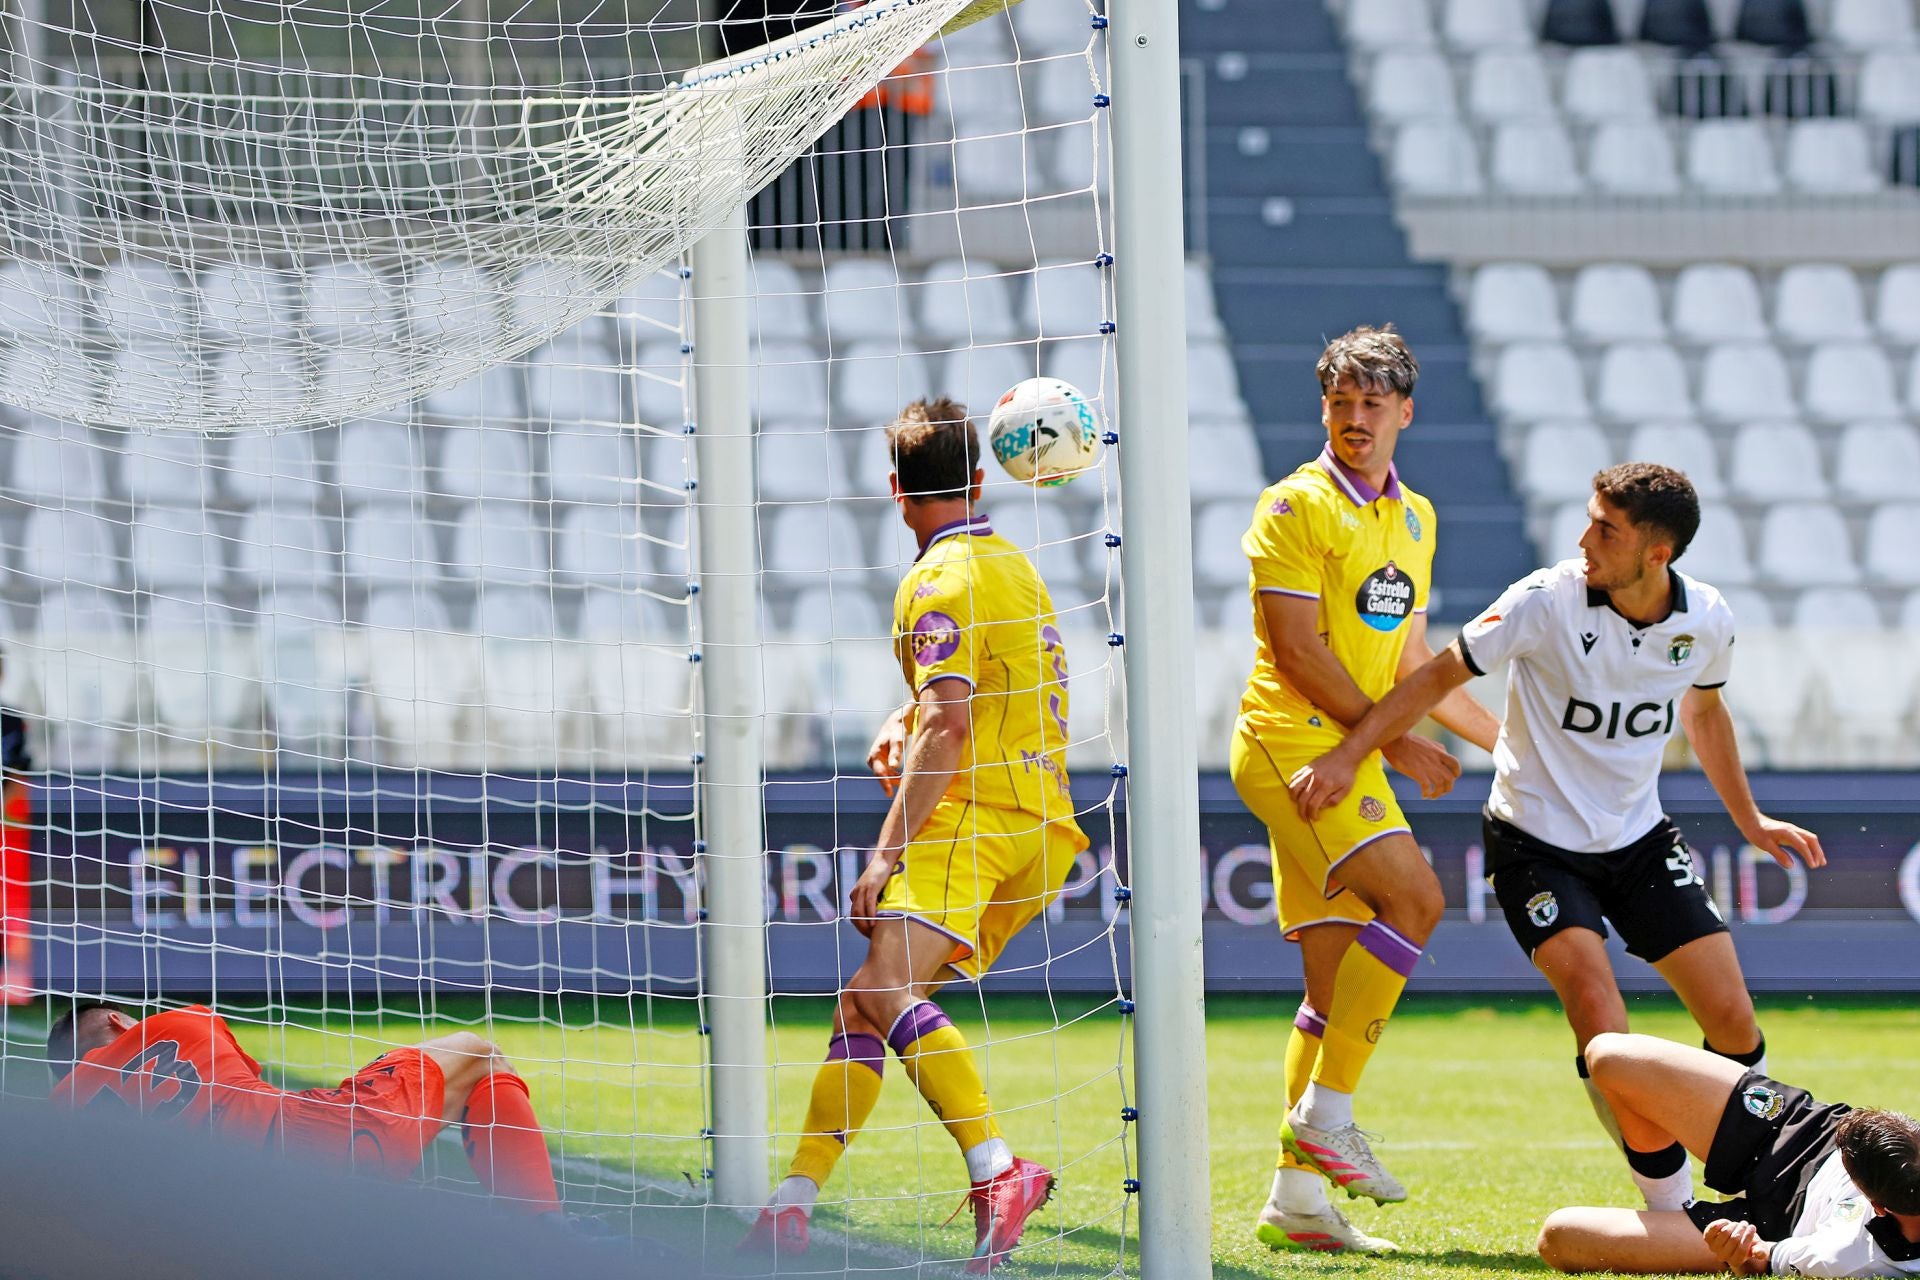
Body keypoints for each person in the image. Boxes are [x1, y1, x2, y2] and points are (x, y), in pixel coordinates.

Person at [1289, 463, 1826, 1208]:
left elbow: (1705, 715)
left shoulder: (1706, 619)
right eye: (1588, 518)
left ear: (1656, 554)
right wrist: (1352, 754)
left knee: (1734, 1021)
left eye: (1606, 528)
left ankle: (1749, 1181)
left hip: (1639, 842)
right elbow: (1437, 674)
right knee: (1603, 1022)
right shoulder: (1544, 600)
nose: (1584, 539)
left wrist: (1751, 818)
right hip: (1533, 843)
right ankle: (1672, 1213)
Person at [741, 398, 1087, 1274]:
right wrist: (909, 712)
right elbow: (989, 683)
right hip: (1042, 828)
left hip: (970, 819)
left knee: (884, 988)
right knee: (864, 1000)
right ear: (978, 480)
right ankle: (794, 1201)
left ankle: (999, 1168)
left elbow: (951, 727)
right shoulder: (1016, 567)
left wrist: (889, 847)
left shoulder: (933, 583)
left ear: (895, 493)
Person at [1230, 325, 1502, 1253]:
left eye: (1371, 404)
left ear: (1405, 413)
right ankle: (1328, 1116)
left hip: (1348, 745)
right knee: (1417, 898)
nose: (1354, 419)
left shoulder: (1416, 517)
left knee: (1333, 981)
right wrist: (1396, 747)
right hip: (1291, 745)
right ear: (1323, 410)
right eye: (1339, 403)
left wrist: (1507, 745)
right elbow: (1298, 653)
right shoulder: (1293, 506)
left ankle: (1297, 1200)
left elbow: (1414, 658)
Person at [46, 1001, 563, 1216]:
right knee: (479, 1053)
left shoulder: (58, 1118)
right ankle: (544, 1233)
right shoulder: (174, 1023)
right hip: (324, 1147)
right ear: (117, 1021)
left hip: (229, 1225)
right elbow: (248, 1085)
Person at [1537, 1032, 1920, 1277]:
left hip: (1770, 1223)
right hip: (1808, 1131)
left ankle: (1673, 1214)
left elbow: (1758, 1259)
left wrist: (1736, 1252)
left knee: (1560, 1235)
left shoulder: (1849, 1257)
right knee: (1612, 1055)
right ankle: (1667, 1207)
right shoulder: (1880, 1181)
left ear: (1878, 1205)